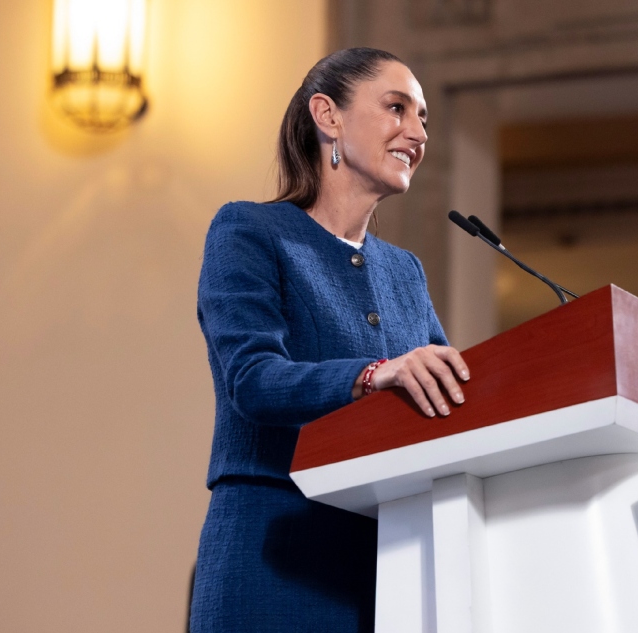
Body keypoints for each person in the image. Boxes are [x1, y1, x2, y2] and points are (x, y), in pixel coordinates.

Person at [189, 48, 470, 633]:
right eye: (397, 108)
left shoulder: (405, 272)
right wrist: (376, 374)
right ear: (328, 115)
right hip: (274, 548)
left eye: (423, 119)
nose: (417, 132)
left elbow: (451, 402)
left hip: (391, 561)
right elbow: (253, 378)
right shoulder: (249, 231)